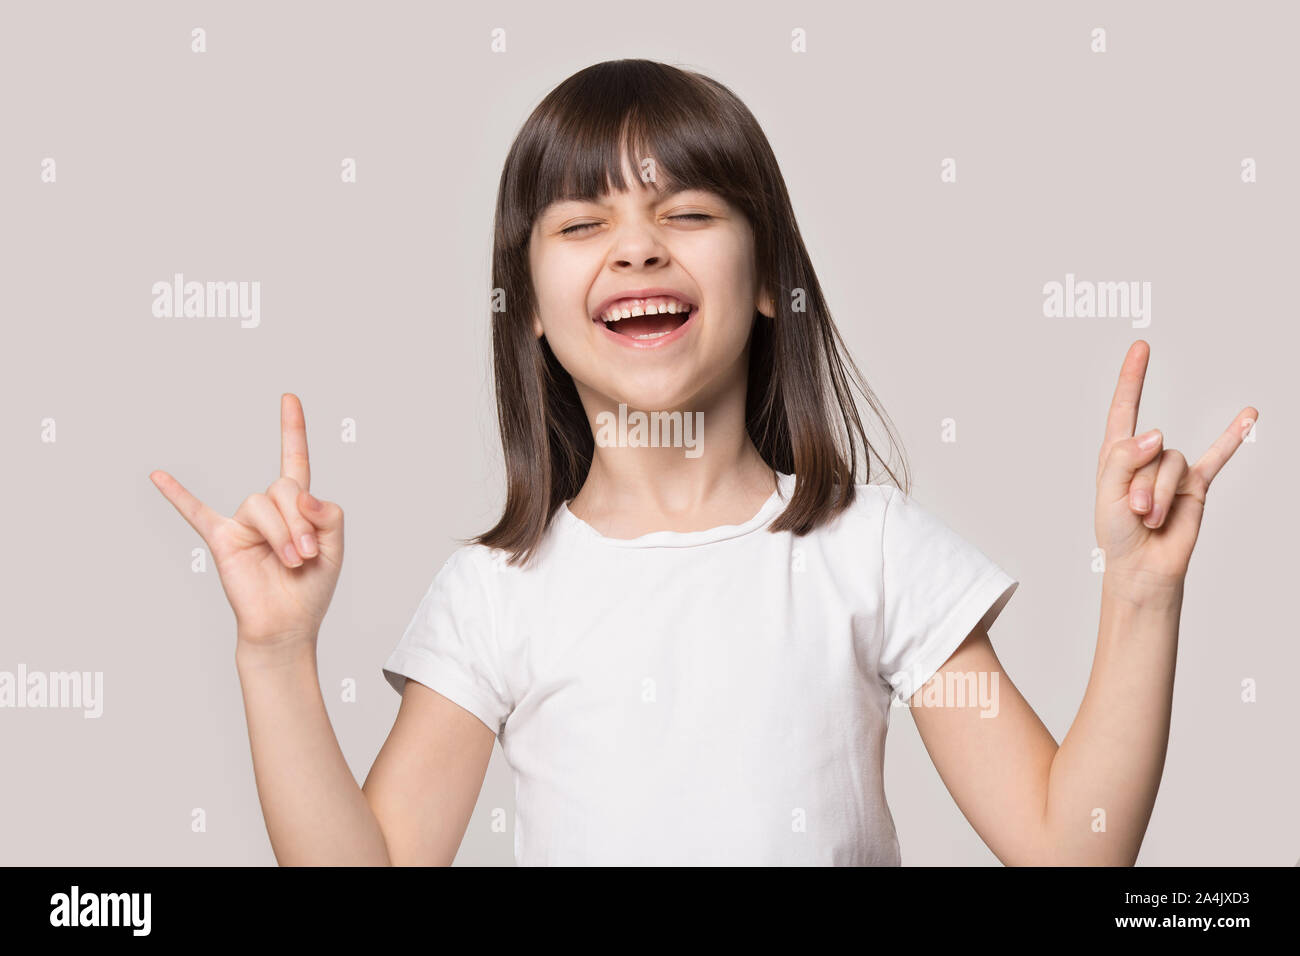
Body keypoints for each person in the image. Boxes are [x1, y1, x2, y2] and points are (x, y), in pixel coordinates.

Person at [150, 59, 1257, 866]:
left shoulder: (871, 551)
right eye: (581, 224)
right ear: (527, 307)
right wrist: (277, 654)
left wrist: (1141, 595)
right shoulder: (496, 594)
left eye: (685, 211)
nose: (637, 245)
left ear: (771, 275)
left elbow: (1073, 847)